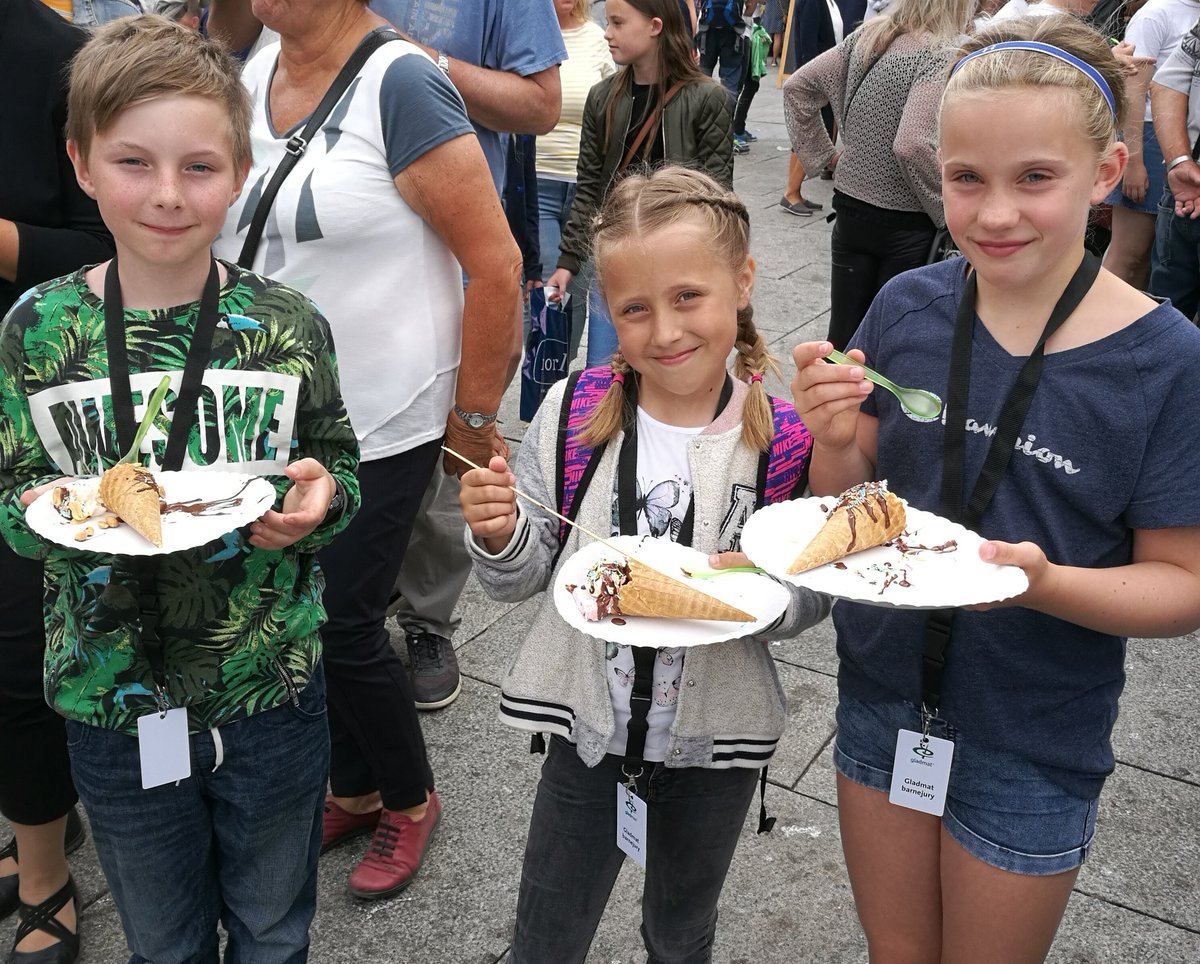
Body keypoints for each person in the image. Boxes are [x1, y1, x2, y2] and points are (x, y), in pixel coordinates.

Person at [791, 16, 1200, 962]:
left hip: (1033, 729)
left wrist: (1044, 582)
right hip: (882, 693)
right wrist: (836, 437)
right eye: (967, 178)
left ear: (1102, 177)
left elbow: (1181, 583)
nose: (995, 213)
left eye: (1035, 179)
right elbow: (850, 500)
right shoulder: (909, 306)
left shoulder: (1166, 363)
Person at [0, 15, 361, 962]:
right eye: (133, 162)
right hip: (111, 701)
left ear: (239, 173)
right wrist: (55, 518)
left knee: (276, 926)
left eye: (199, 166)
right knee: (161, 940)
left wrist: (321, 502)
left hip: (270, 684)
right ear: (81, 163)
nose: (167, 194)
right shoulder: (37, 330)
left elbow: (338, 464)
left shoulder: (286, 324)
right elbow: (14, 492)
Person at [461, 166, 830, 964]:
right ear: (609, 312)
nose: (664, 331)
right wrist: (497, 534)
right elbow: (522, 575)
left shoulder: (784, 439)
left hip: (716, 745)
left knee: (681, 931)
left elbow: (807, 601)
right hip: (588, 737)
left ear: (742, 282)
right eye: (634, 309)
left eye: (688, 297)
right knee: (546, 933)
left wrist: (760, 591)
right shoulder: (571, 413)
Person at [212, 0, 522, 901]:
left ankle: (411, 797)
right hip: (273, 413)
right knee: (307, 617)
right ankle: (351, 785)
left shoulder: (402, 81)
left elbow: (496, 265)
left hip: (385, 417)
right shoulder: (251, 67)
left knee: (346, 621)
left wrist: (470, 427)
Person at [372, 0, 566, 714]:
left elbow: (540, 105)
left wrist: (415, 58)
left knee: (457, 458)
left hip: (454, 266)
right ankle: (361, 601)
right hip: (336, 269)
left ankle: (429, 621)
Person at [0, 2, 114, 961]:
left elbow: (116, 242)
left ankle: (44, 870)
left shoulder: (57, 56)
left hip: (31, 402)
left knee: (14, 649)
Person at [546, 0, 734, 369]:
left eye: (617, 22)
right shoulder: (602, 98)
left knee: (669, 371)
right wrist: (568, 261)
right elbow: (590, 189)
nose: (607, 33)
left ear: (655, 26)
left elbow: (718, 198)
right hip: (616, 264)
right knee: (604, 370)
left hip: (679, 269)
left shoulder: (706, 98)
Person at [785, 0, 974, 350]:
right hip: (905, 223)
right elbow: (913, 144)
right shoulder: (941, 53)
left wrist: (826, 158)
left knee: (843, 338)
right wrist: (946, 206)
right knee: (893, 343)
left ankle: (833, 400)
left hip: (850, 209)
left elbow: (797, 87)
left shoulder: (869, 37)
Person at [534, 0, 617, 361]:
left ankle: (562, 383)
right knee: (553, 286)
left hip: (587, 186)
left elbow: (612, 107)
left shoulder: (598, 38)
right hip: (540, 182)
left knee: (580, 290)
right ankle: (544, 375)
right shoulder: (531, 37)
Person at [1103, 0, 1197, 289]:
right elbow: (1134, 87)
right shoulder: (1157, 13)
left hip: (1180, 140)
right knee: (1130, 254)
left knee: (1153, 258)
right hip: (1147, 136)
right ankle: (1093, 327)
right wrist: (1133, 160)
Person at [1149, 17, 1200, 318]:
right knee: (1166, 319)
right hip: (1185, 185)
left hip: (1185, 182)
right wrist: (1180, 162)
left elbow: (1165, 82)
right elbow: (1166, 82)